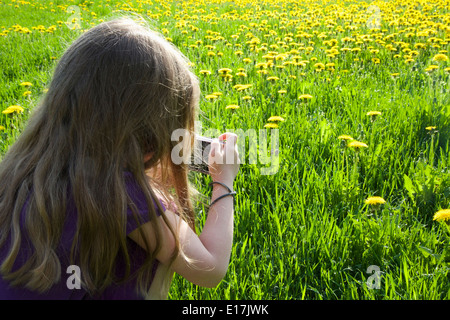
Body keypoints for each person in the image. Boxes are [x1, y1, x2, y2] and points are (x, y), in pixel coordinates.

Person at [0, 17, 240, 300]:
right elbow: (209, 268)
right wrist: (223, 180)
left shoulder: (23, 170)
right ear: (149, 135)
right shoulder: (125, 195)